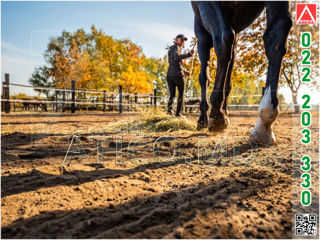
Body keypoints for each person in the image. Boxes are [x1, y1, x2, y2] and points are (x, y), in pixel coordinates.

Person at [166, 34, 194, 117]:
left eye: (184, 40)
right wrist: (188, 54)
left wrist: (184, 71)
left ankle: (169, 112)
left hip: (170, 75)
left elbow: (174, 62)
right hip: (178, 76)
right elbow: (176, 57)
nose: (183, 42)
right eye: (181, 40)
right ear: (176, 40)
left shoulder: (171, 48)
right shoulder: (176, 48)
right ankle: (178, 114)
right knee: (181, 95)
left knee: (172, 95)